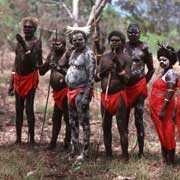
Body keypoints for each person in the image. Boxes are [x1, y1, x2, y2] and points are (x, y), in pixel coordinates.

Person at [95, 31, 131, 160]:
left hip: (119, 96)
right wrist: (106, 70)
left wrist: (119, 66)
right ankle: (108, 154)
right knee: (106, 126)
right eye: (112, 40)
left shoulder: (126, 58)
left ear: (122, 42)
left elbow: (127, 80)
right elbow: (96, 77)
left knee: (122, 127)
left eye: (117, 40)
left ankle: (125, 156)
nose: (114, 42)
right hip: (105, 96)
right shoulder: (104, 57)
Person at [8, 17, 43, 145]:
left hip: (30, 78)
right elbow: (16, 62)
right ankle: (18, 139)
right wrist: (11, 82)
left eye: (30, 27)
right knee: (18, 109)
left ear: (34, 29)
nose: (27, 29)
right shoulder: (19, 43)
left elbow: (34, 62)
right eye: (25, 27)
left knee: (29, 109)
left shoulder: (36, 42)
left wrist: (23, 43)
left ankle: (32, 140)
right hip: (18, 78)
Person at [124, 23, 154, 157]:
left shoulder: (144, 47)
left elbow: (151, 68)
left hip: (139, 88)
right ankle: (124, 151)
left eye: (135, 33)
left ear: (140, 33)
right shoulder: (122, 47)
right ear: (127, 33)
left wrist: (144, 82)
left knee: (138, 119)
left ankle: (141, 152)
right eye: (130, 32)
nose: (133, 35)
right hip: (124, 88)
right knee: (123, 119)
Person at [65, 30, 96, 160]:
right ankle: (74, 150)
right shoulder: (73, 52)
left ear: (85, 40)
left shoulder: (88, 54)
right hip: (70, 91)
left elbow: (91, 77)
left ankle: (86, 152)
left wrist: (86, 96)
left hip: (81, 91)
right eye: (75, 40)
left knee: (84, 122)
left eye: (80, 39)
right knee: (72, 122)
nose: (77, 42)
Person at [39, 35, 71, 150]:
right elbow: (42, 71)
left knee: (68, 118)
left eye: (58, 44)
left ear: (64, 45)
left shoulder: (68, 55)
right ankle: (53, 142)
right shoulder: (51, 55)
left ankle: (67, 143)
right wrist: (39, 60)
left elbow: (73, 73)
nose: (55, 46)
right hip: (56, 93)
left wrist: (59, 68)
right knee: (56, 118)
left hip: (67, 91)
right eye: (54, 44)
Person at [149, 44, 178, 165]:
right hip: (157, 108)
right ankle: (165, 160)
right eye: (160, 59)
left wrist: (162, 110)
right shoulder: (163, 73)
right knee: (162, 133)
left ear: (170, 60)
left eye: (164, 59)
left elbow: (170, 92)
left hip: (164, 108)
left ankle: (171, 162)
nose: (162, 62)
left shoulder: (171, 74)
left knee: (168, 132)